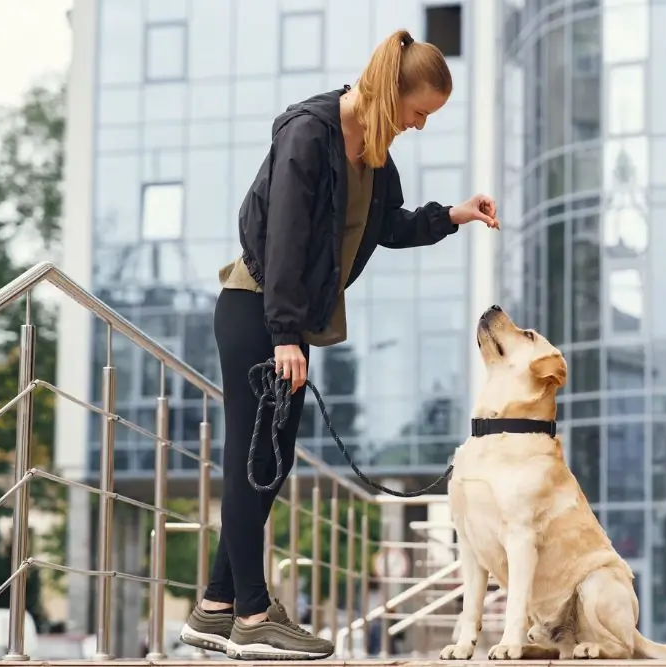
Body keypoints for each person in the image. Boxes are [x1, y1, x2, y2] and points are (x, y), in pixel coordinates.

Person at [178, 28, 499, 661]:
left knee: (271, 462)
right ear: (391, 92)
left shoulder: (374, 155)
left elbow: (390, 227)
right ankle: (250, 615)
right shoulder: (309, 134)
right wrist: (286, 334)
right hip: (256, 312)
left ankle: (213, 607)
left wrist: (454, 214)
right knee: (254, 460)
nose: (419, 125)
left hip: (284, 324)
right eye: (418, 112)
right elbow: (282, 241)